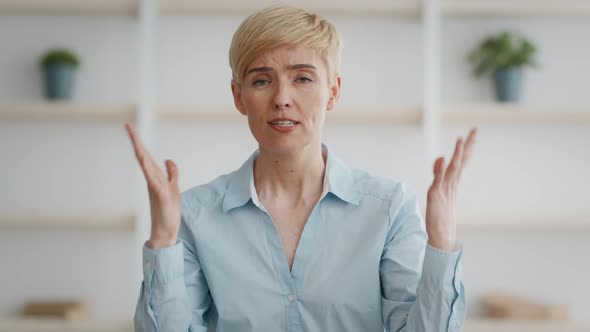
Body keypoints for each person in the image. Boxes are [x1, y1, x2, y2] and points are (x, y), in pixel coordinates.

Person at [127, 5, 477, 332]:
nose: (282, 98)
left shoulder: (389, 208)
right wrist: (162, 241)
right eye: (262, 80)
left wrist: (442, 243)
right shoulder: (195, 214)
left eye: (303, 79)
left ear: (333, 92)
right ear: (238, 96)